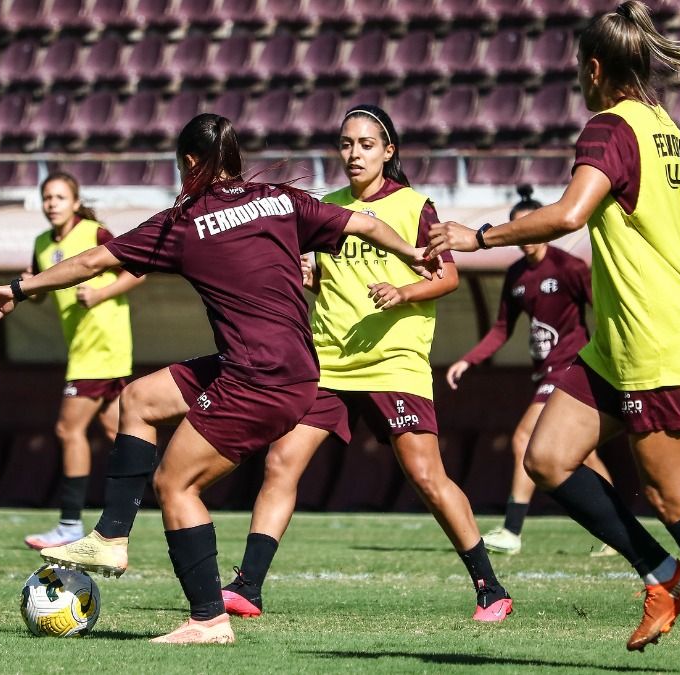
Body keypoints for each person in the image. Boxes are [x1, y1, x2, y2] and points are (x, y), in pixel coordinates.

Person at [0, 113, 441, 644]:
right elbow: (364, 223)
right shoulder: (278, 198)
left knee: (176, 484)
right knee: (140, 399)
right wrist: (409, 251)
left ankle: (207, 620)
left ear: (192, 163)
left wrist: (19, 289)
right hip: (293, 368)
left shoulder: (184, 220)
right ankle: (111, 534)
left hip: (258, 378)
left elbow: (93, 262)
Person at [425, 3, 680, 671]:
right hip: (617, 340)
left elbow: (571, 212)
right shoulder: (666, 131)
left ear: (594, 68)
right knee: (549, 457)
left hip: (656, 342)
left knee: (675, 497)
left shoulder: (609, 127)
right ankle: (664, 575)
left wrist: (480, 235)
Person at [219, 105, 512, 623]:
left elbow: (446, 277)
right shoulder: (324, 207)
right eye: (347, 144)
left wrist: (402, 291)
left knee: (425, 475)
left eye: (366, 144)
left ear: (388, 150)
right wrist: (309, 277)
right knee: (281, 463)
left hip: (394, 363)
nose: (354, 154)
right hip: (328, 362)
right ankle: (248, 587)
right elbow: (320, 280)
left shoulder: (414, 207)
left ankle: (490, 587)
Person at [446, 184, 615, 557]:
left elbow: (602, 309)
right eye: (518, 232)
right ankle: (618, 531)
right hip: (545, 373)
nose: (525, 239)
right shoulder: (517, 275)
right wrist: (467, 359)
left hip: (570, 369)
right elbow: (501, 329)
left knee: (524, 437)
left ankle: (512, 529)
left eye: (531, 229)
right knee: (584, 455)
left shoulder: (569, 267)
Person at [22, 172, 143, 550]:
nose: (52, 203)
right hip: (85, 349)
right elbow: (46, 290)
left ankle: (70, 523)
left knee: (67, 430)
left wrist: (101, 293)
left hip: (102, 347)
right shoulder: (42, 243)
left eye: (60, 197)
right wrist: (31, 287)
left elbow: (138, 270)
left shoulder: (95, 233)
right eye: (48, 197)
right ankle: (166, 497)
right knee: (119, 434)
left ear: (75, 202)